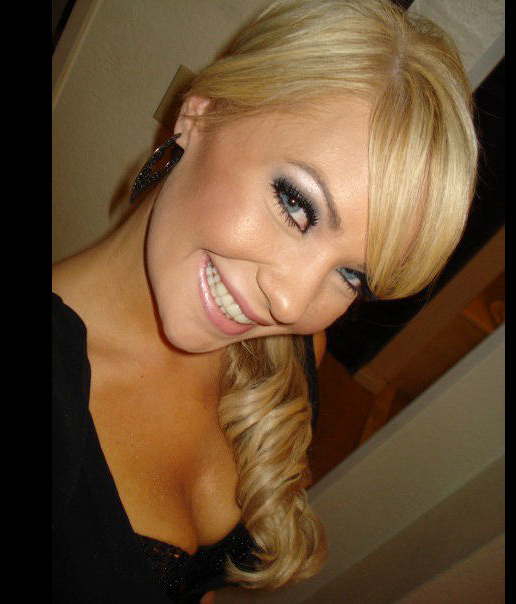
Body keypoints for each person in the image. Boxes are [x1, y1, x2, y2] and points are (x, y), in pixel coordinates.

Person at [52, 0, 478, 602]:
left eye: (351, 274)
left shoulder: (292, 359)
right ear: (199, 115)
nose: (290, 304)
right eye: (296, 205)